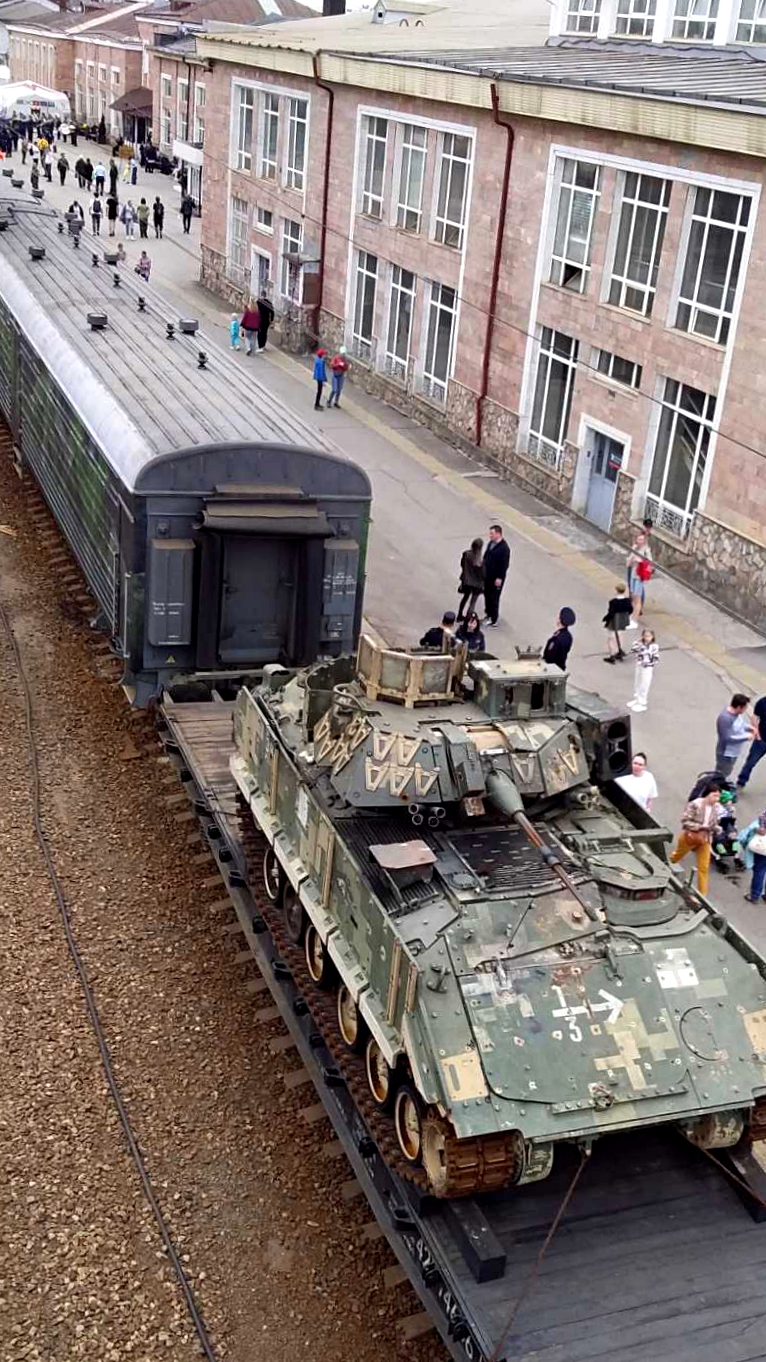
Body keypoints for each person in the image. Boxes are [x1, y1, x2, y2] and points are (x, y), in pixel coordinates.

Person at [669, 780, 722, 898]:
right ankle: (666, 868)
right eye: (714, 796)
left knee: (704, 868)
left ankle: (702, 896)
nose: (717, 799)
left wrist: (716, 828)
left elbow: (714, 823)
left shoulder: (716, 808)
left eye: (718, 796)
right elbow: (685, 821)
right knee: (676, 856)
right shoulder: (695, 804)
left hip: (705, 839)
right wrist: (700, 827)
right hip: (691, 837)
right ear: (707, 794)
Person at [715, 693, 752, 779]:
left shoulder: (737, 715)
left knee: (726, 773)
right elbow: (727, 738)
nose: (745, 709)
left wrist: (749, 728)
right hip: (726, 753)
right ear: (739, 707)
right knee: (721, 775)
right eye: (745, 707)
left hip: (733, 752)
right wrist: (746, 737)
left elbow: (740, 725)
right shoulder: (725, 718)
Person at [483, 525, 511, 627]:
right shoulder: (491, 543)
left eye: (492, 533)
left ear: (498, 534)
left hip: (496, 578)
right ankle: (488, 613)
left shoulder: (504, 549)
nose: (490, 535)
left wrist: (500, 577)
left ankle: (493, 619)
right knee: (487, 594)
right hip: (487, 575)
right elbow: (486, 556)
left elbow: (504, 565)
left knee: (494, 597)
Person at [737, 695, 766, 791]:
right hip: (761, 740)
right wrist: (757, 733)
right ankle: (741, 781)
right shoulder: (763, 702)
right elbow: (755, 717)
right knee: (751, 762)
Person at [628, 628, 659, 712]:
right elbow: (633, 650)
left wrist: (649, 663)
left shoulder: (654, 646)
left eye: (649, 636)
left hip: (647, 667)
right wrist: (638, 642)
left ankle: (642, 703)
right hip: (639, 665)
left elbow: (655, 658)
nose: (647, 638)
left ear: (652, 637)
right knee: (637, 682)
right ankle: (636, 699)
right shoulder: (640, 644)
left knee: (644, 684)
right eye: (645, 636)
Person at [626, 530, 653, 627]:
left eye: (642, 539)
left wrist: (640, 561)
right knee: (633, 596)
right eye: (639, 539)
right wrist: (632, 556)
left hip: (639, 576)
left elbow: (650, 563)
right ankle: (633, 616)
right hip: (633, 574)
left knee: (638, 599)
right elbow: (628, 563)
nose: (640, 541)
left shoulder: (646, 550)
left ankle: (634, 621)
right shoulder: (634, 548)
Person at [740, 811, 766, 902]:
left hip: (763, 846)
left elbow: (761, 828)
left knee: (759, 870)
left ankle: (754, 895)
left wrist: (758, 828)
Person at [603, 583, 632, 663]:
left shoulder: (613, 602)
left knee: (611, 639)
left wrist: (606, 619)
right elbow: (630, 610)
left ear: (616, 591)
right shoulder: (628, 601)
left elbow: (611, 612)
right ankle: (619, 650)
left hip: (614, 621)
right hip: (623, 620)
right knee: (619, 635)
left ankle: (612, 655)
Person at [457, 538, 484, 621]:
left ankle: (459, 615)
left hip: (466, 581)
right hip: (477, 584)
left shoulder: (466, 554)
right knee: (473, 602)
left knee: (465, 598)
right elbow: (483, 574)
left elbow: (462, 564)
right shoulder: (480, 560)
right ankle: (468, 619)